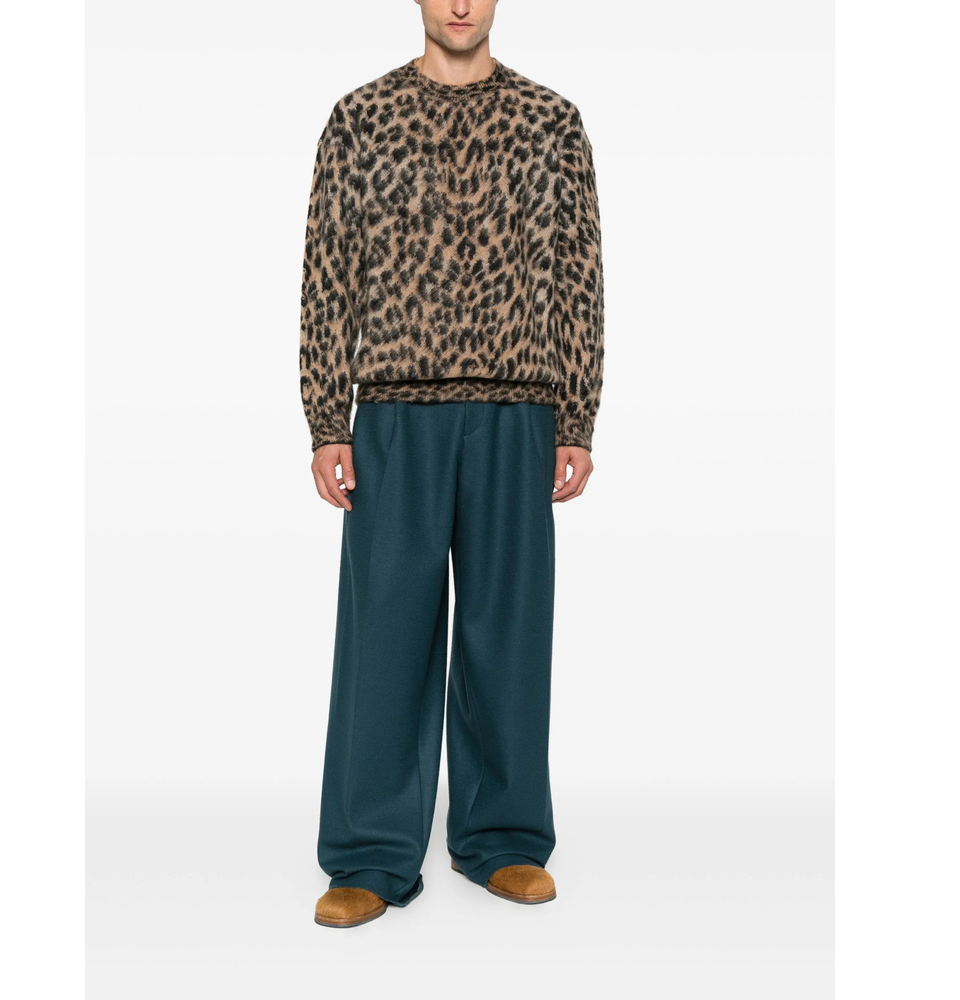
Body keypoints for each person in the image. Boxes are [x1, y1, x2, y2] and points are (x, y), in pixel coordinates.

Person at [300, 0, 604, 928]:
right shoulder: (361, 118)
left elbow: (581, 273)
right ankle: (369, 853)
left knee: (508, 633)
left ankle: (503, 837)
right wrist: (327, 417)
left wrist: (577, 415)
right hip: (396, 412)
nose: (461, 4)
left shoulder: (552, 123)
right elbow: (327, 270)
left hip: (520, 410)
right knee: (385, 636)